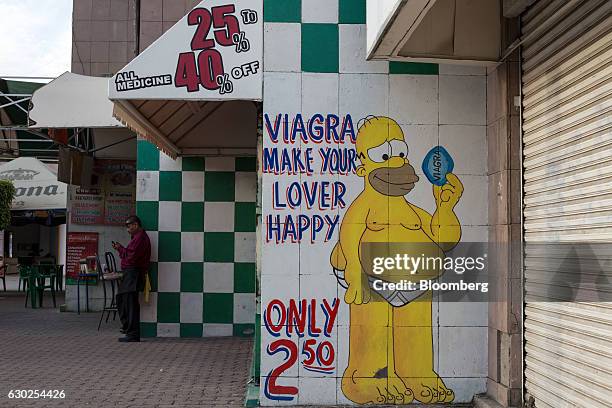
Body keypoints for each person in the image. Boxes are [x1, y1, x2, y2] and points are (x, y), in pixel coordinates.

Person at [112, 215, 151, 342]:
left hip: (133, 273)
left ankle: (132, 333)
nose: (128, 230)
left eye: (129, 227)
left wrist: (121, 249)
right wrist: (120, 249)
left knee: (130, 304)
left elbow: (131, 258)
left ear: (135, 225)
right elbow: (129, 254)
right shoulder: (137, 238)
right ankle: (128, 328)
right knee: (123, 300)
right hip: (131, 273)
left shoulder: (140, 238)